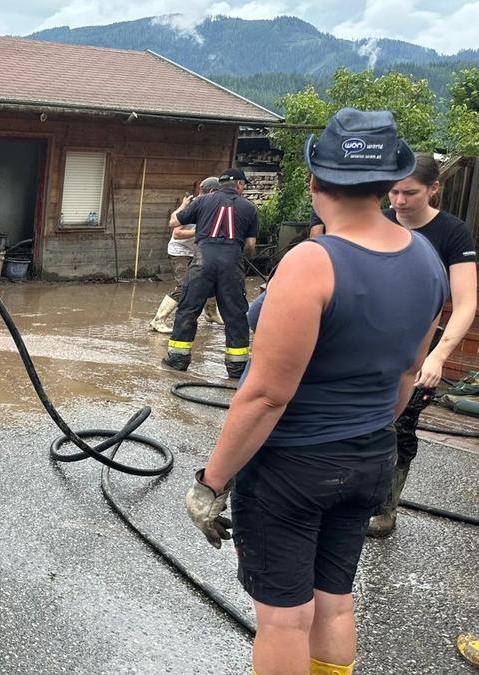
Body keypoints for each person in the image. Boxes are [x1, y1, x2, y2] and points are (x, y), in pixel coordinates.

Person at [184, 108, 447, 675]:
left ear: (312, 180)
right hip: (372, 455)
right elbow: (408, 372)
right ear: (387, 184)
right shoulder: (428, 259)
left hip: (294, 468)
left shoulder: (311, 262)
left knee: (283, 618)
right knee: (334, 599)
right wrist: (369, 431)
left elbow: (265, 396)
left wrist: (212, 480)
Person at [367, 154, 477, 537]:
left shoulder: (451, 232)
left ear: (433, 189)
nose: (399, 201)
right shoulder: (375, 220)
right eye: (393, 192)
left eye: (409, 193)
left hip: (417, 351)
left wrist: (439, 355)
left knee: (398, 427)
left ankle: (385, 510)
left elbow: (466, 303)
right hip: (366, 341)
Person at [163, 168, 258, 378]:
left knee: (188, 308)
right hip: (231, 264)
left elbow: (173, 223)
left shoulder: (202, 201)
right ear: (240, 185)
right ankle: (237, 367)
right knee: (235, 315)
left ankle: (178, 359)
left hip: (202, 261)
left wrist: (184, 205)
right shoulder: (249, 208)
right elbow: (251, 245)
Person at [150, 176, 224, 332]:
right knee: (183, 286)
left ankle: (211, 313)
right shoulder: (194, 204)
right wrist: (199, 231)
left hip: (196, 251)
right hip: (180, 252)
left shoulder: (214, 206)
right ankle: (158, 320)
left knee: (211, 280)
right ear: (213, 191)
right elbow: (177, 233)